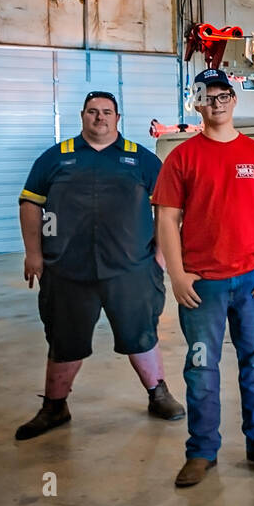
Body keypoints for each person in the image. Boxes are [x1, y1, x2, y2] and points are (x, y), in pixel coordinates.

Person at [15, 91, 184, 440]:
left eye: (107, 112)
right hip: (67, 270)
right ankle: (55, 406)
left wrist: (164, 252)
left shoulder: (141, 159)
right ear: (82, 116)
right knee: (64, 339)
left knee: (141, 334)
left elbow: (169, 206)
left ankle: (159, 394)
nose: (100, 118)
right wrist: (33, 253)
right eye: (93, 112)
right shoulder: (56, 157)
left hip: (131, 269)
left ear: (117, 118)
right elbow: (30, 203)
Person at [152, 68, 254, 488]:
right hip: (202, 286)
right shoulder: (182, 157)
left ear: (234, 99)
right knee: (201, 369)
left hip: (251, 281)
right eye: (208, 95)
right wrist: (176, 275)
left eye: (224, 93)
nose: (217, 101)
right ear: (197, 103)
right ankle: (202, 451)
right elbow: (167, 218)